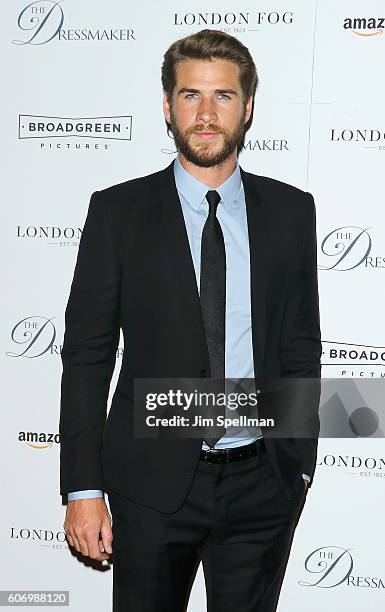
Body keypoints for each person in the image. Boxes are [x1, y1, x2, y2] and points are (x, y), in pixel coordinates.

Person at [59, 28, 321, 612]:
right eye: (190, 95)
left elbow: (301, 343)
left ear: (247, 106)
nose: (206, 113)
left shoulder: (290, 210)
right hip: (148, 485)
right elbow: (86, 356)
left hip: (262, 484)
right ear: (167, 105)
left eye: (223, 96)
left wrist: (297, 462)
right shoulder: (117, 212)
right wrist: (82, 487)